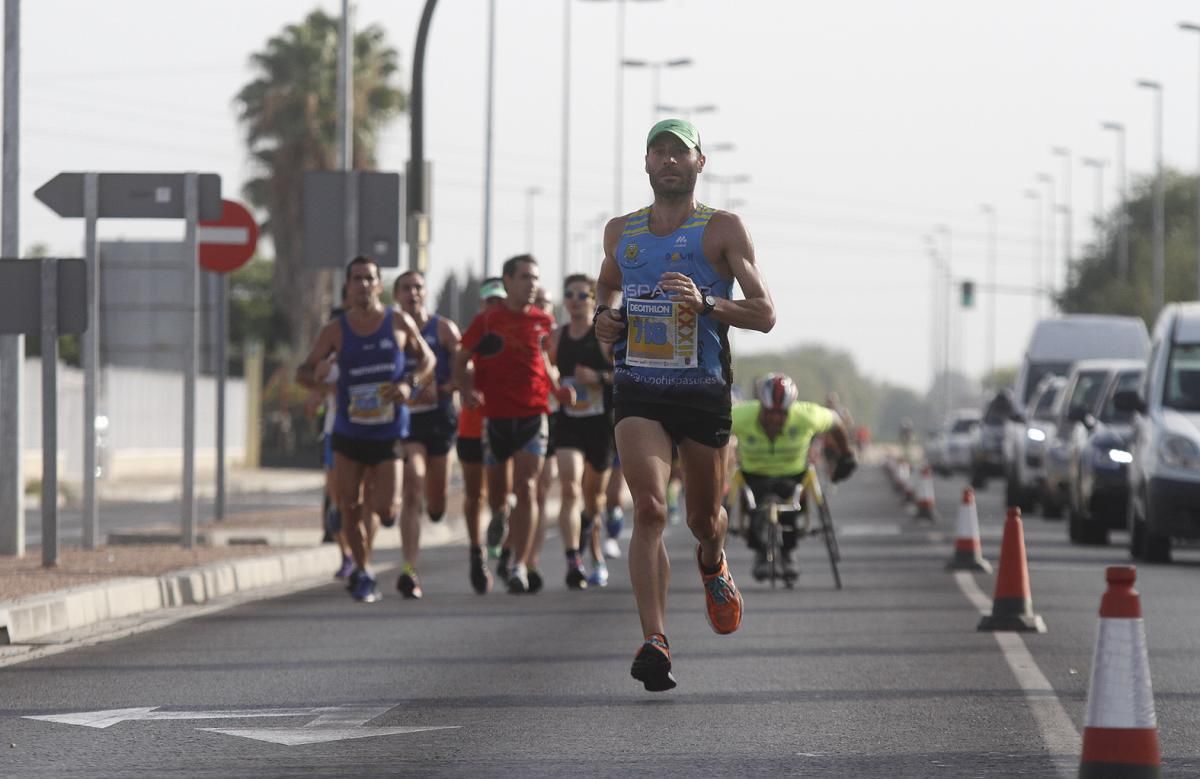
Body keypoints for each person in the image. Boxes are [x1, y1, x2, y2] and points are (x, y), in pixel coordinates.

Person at [594, 118, 776, 692]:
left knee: (703, 519)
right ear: (646, 164)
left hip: (701, 389)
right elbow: (607, 287)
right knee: (648, 510)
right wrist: (606, 318)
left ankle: (713, 562)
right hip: (639, 386)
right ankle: (655, 640)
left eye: (680, 151)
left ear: (701, 163)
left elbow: (765, 312)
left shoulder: (721, 229)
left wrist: (707, 303)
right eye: (659, 151)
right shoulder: (621, 232)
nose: (669, 160)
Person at [296, 255, 434, 603]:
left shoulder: (398, 321)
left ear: (378, 284)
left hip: (388, 433)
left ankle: (373, 533)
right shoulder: (335, 330)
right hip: (349, 432)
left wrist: (410, 385)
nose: (362, 285)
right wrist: (321, 379)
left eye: (368, 278)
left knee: (387, 509)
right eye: (356, 279)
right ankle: (363, 570)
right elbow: (304, 371)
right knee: (349, 505)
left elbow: (427, 360)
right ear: (347, 286)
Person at [454, 255, 569, 594]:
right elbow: (460, 359)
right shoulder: (487, 321)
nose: (531, 283)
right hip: (496, 418)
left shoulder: (544, 321)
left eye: (535, 277)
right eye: (524, 277)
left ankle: (518, 563)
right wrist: (466, 389)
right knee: (499, 498)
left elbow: (548, 362)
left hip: (534, 416)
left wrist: (558, 387)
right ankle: (500, 519)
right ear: (507, 281)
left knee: (528, 488)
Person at [730, 373, 857, 582]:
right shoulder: (741, 415)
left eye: (781, 414)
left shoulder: (806, 416)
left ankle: (788, 552)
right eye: (769, 412)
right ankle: (760, 552)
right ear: (760, 405)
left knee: (794, 500)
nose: (775, 419)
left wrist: (847, 454)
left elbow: (835, 421)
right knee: (753, 504)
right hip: (753, 476)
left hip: (793, 476)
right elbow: (712, 426)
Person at [393, 270, 462, 599]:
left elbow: (465, 364)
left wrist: (453, 386)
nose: (412, 293)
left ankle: (436, 508)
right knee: (412, 484)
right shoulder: (390, 329)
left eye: (418, 287)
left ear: (426, 292)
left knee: (435, 502)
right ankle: (409, 568)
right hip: (407, 422)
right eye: (405, 288)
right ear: (396, 295)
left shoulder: (444, 328)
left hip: (440, 420)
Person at [547, 273, 616, 589]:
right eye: (569, 294)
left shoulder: (602, 337)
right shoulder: (557, 337)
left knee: (594, 499)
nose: (574, 300)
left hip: (598, 424)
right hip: (568, 422)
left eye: (582, 295)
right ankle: (573, 558)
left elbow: (621, 375)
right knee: (570, 487)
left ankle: (596, 553)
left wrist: (597, 377)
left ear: (593, 300)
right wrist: (555, 389)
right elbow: (545, 375)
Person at [457, 277, 506, 594]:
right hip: (473, 427)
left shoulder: (518, 336)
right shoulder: (473, 336)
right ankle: (476, 552)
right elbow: (457, 368)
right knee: (475, 494)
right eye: (489, 302)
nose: (494, 307)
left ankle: (499, 529)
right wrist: (465, 386)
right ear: (481, 306)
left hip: (504, 425)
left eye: (499, 301)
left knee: (503, 495)